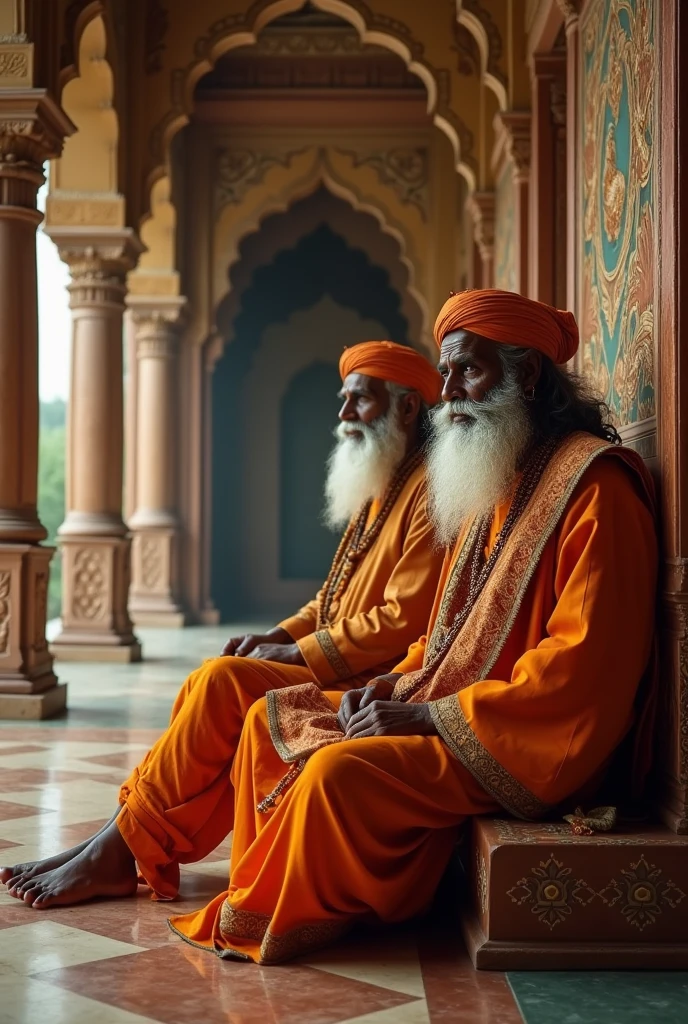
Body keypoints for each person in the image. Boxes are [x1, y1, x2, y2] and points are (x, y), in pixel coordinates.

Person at [2, 292, 657, 970]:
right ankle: (154, 847)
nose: (448, 393)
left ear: (526, 376)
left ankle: (306, 898)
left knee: (330, 772)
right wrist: (373, 676)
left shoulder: (594, 490)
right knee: (266, 719)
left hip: (525, 739)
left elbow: (579, 676)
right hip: (445, 697)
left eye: (469, 372)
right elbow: (416, 627)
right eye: (447, 372)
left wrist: (426, 713)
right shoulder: (497, 481)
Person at [0, 339, 444, 901]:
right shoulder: (384, 487)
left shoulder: (430, 493)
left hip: (371, 680)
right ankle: (122, 839)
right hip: (339, 662)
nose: (343, 414)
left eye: (359, 401)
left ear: (406, 409)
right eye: (344, 400)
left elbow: (401, 621)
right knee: (211, 676)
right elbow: (333, 600)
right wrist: (279, 634)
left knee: (222, 683)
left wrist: (296, 655)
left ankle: (118, 845)